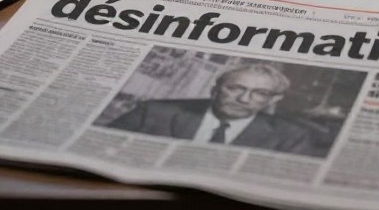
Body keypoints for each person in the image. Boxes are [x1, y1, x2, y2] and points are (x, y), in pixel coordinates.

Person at [106, 62, 314, 154]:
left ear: (273, 99)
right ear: (215, 90)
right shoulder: (153, 111)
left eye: (260, 93)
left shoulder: (291, 137)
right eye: (235, 88)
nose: (243, 98)